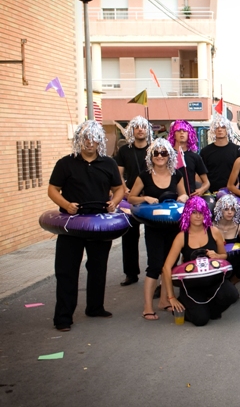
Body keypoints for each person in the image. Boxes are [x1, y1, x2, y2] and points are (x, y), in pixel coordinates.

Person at [48, 121, 125, 332]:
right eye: (85, 138)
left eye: (93, 138)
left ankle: (95, 307)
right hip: (71, 225)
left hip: (99, 224)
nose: (90, 142)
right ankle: (63, 317)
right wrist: (65, 205)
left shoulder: (108, 163)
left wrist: (114, 202)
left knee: (98, 267)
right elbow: (53, 189)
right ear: (79, 140)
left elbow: (118, 188)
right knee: (66, 271)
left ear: (100, 140)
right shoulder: (65, 163)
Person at [128, 138, 189, 321]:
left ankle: (164, 300)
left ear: (169, 155)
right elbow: (131, 198)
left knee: (169, 264)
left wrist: (184, 197)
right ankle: (147, 307)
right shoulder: (144, 176)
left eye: (164, 153)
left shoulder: (176, 174)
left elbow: (183, 193)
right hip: (154, 227)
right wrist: (145, 198)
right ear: (151, 156)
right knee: (154, 266)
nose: (160, 156)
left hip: (173, 226)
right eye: (156, 153)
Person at [163, 196, 239, 326]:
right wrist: (171, 298)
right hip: (191, 285)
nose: (198, 216)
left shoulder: (214, 232)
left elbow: (224, 256)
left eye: (201, 213)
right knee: (201, 320)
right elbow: (166, 267)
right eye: (194, 213)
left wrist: (217, 255)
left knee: (232, 295)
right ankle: (189, 304)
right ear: (188, 214)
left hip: (213, 279)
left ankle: (208, 309)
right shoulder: (181, 237)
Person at [115, 116, 152, 287]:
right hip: (130, 199)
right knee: (129, 237)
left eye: (143, 127)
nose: (140, 130)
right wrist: (123, 189)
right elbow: (118, 173)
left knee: (152, 236)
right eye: (136, 127)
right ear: (132, 130)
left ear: (147, 130)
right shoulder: (124, 151)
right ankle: (131, 273)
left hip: (152, 198)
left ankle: (154, 271)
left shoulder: (154, 150)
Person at [214, 194, 240, 291]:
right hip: (217, 263)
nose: (230, 212)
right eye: (226, 209)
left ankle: (232, 282)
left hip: (234, 263)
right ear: (220, 210)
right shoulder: (211, 227)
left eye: (232, 209)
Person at [200, 113, 240, 193]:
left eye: (223, 127)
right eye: (216, 127)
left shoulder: (237, 150)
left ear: (228, 130)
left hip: (233, 193)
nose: (220, 129)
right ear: (213, 130)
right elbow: (201, 174)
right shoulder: (205, 151)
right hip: (211, 193)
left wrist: (237, 189)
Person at [168, 120, 210, 197]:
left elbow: (206, 182)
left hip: (190, 197)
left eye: (184, 130)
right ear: (173, 134)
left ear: (189, 134)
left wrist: (201, 190)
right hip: (171, 198)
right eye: (178, 130)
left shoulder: (195, 157)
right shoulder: (166, 155)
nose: (181, 133)